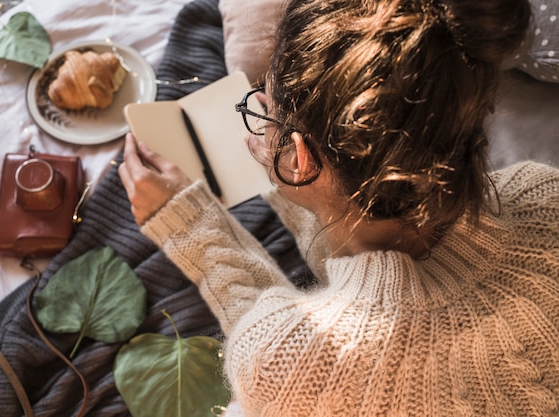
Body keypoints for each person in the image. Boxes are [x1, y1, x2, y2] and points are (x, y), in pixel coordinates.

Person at [118, 0, 559, 415]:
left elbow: (292, 358)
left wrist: (189, 226)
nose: (257, 119)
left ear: (301, 156)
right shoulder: (545, 197)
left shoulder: (291, 361)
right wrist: (284, 169)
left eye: (263, 112)